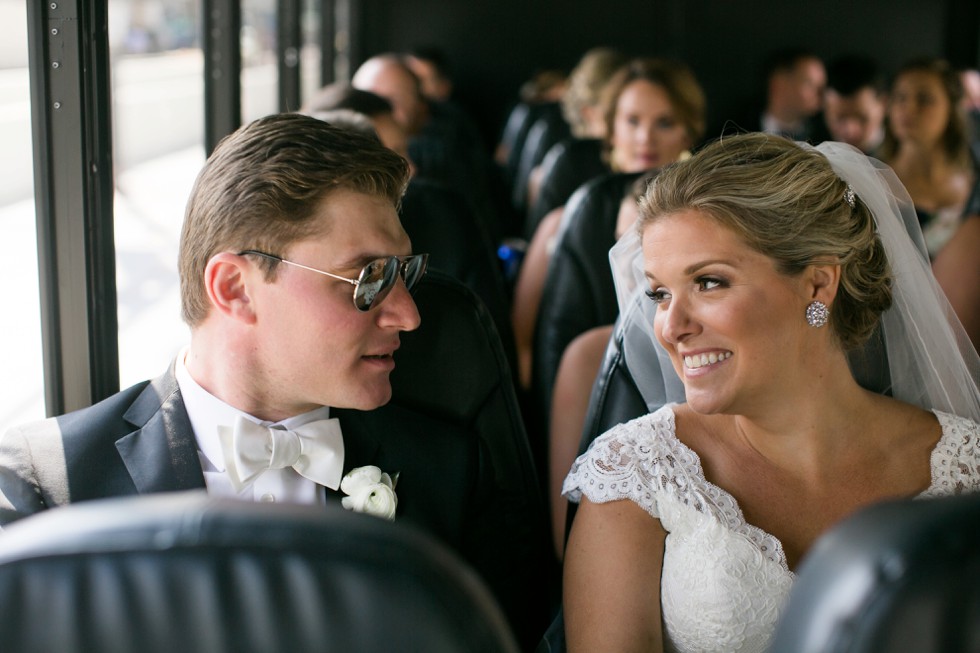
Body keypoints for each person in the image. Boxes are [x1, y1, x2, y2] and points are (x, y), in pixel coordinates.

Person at [0, 113, 547, 649]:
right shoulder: (45, 488)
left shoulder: (451, 474)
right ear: (235, 288)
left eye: (402, 274)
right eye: (368, 278)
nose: (408, 315)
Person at [561, 133, 980, 652]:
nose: (670, 326)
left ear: (818, 285)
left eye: (709, 282)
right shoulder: (635, 477)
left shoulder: (969, 467)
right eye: (660, 293)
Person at [513, 58, 704, 393]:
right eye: (632, 121)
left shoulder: (710, 224)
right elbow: (523, 340)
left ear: (687, 131)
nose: (646, 137)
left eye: (664, 122)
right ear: (611, 128)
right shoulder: (567, 220)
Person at [879, 57, 975, 259]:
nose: (909, 108)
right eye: (900, 97)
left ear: (951, 108)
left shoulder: (975, 178)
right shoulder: (871, 177)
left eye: (924, 99)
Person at [818, 54, 887, 154]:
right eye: (840, 118)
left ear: (884, 104)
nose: (850, 130)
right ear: (824, 106)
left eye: (861, 118)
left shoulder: (907, 151)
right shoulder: (809, 147)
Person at [758, 48, 826, 141]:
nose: (820, 94)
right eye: (809, 84)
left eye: (821, 86)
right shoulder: (737, 132)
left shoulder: (825, 137)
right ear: (779, 85)